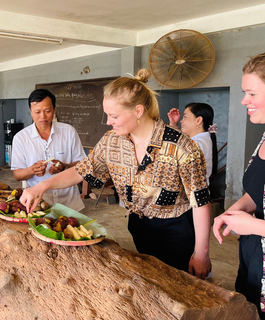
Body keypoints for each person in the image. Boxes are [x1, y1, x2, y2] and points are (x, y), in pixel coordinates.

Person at [21, 70, 212, 279]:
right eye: (107, 115)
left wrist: (201, 253)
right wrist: (41, 187)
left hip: (176, 230)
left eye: (114, 116)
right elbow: (81, 171)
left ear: (138, 111)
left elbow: (200, 201)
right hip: (139, 225)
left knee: (179, 286)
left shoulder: (181, 146)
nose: (108, 121)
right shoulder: (112, 141)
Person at [213, 52, 265, 319]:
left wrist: (254, 225)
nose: (244, 100)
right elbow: (257, 193)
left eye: (252, 93)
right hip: (254, 258)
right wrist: (233, 211)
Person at [11, 89, 86, 211]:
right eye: (37, 112)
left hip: (70, 204)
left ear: (54, 109)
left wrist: (65, 166)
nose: (43, 117)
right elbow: (17, 175)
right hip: (39, 204)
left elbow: (82, 166)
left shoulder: (69, 132)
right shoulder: (21, 138)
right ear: (30, 111)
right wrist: (31, 170)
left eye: (47, 111)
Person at [168, 103, 218, 185]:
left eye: (185, 117)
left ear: (198, 120)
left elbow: (173, 157)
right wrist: (173, 125)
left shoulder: (197, 143)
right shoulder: (200, 140)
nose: (181, 121)